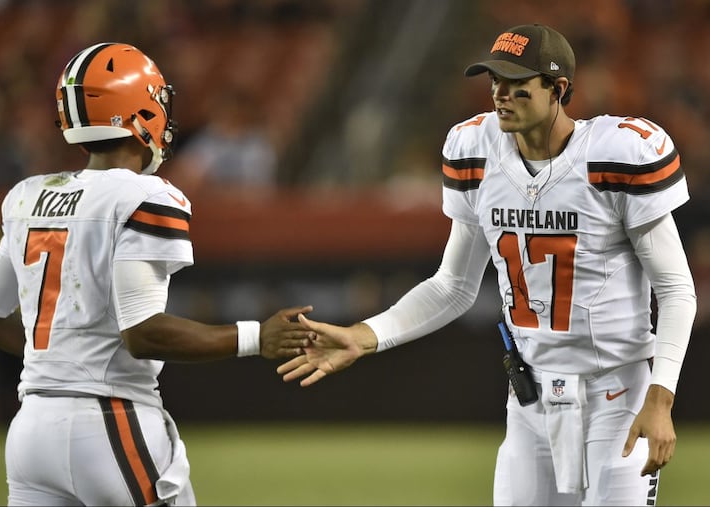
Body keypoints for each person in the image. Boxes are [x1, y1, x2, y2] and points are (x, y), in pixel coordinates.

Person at [278, 24, 696, 506]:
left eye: (517, 84)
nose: (500, 94)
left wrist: (660, 398)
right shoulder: (476, 151)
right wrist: (363, 335)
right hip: (531, 400)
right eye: (493, 81)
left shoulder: (617, 154)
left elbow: (676, 290)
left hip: (617, 396)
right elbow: (453, 285)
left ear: (557, 90)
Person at [0, 42, 313, 506]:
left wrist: (62, 359)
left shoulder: (28, 196)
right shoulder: (144, 196)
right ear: (137, 112)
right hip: (108, 421)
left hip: (31, 429)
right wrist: (256, 336)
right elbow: (142, 332)